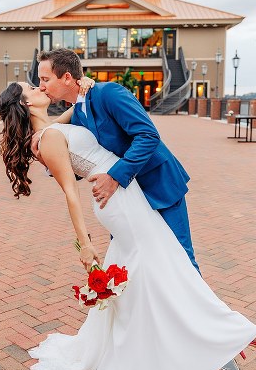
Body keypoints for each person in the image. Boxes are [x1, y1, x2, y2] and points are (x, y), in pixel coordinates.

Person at [0, 82, 256, 370]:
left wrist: (87, 88)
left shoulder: (51, 127)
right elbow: (70, 194)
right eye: (33, 88)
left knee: (152, 273)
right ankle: (240, 334)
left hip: (127, 193)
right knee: (168, 265)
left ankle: (212, 348)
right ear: (25, 103)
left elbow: (78, 109)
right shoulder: (45, 140)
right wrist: (85, 245)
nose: (40, 86)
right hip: (118, 203)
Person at [33, 48, 202, 275]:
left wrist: (114, 176)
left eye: (45, 79)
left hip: (157, 184)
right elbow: (84, 162)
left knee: (180, 257)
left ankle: (194, 309)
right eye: (39, 81)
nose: (41, 86)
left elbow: (148, 136)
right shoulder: (78, 113)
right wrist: (48, 158)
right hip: (125, 199)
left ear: (67, 77)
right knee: (133, 259)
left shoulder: (109, 93)